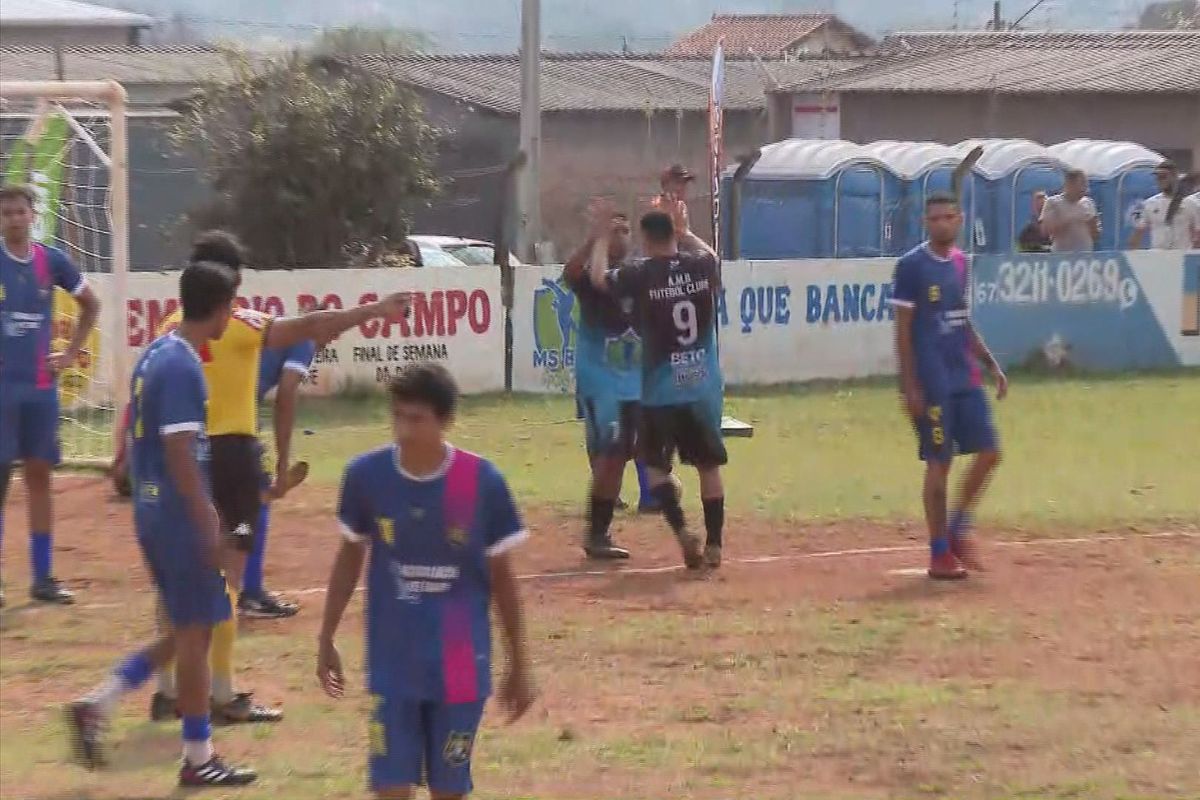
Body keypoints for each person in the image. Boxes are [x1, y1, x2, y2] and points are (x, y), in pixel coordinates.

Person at [145, 230, 411, 726]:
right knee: (227, 578)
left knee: (179, 580)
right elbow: (314, 325)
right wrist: (374, 310)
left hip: (181, 453)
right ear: (232, 283)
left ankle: (167, 692)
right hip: (231, 458)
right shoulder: (241, 324)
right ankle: (220, 693)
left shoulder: (168, 329)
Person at [67, 260, 258, 787]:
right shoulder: (182, 366)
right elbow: (179, 451)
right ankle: (199, 758)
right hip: (177, 515)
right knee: (195, 638)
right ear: (221, 310)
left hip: (156, 511)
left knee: (185, 632)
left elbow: (136, 433)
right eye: (232, 307)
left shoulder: (157, 353)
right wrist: (210, 525)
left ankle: (97, 705)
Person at [317, 363, 535, 800]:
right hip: (393, 659)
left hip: (459, 659)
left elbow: (503, 581)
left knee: (448, 790)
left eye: (416, 419)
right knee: (390, 787)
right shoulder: (367, 477)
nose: (403, 430)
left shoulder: (479, 482)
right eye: (398, 416)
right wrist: (326, 636)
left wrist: (518, 662)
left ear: (445, 420)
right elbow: (348, 557)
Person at [587, 197, 727, 570]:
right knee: (708, 467)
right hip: (700, 385)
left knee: (655, 469)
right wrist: (688, 232)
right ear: (673, 235)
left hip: (660, 393)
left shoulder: (641, 273)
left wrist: (601, 238)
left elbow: (599, 278)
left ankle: (683, 532)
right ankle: (714, 545)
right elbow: (712, 254)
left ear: (646, 240)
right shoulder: (700, 265)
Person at [890, 193, 1008, 580]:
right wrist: (910, 385)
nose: (942, 223)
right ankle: (939, 551)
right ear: (926, 223)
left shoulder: (961, 263)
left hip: (965, 377)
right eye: (934, 218)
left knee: (990, 451)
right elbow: (903, 331)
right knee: (939, 463)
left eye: (948, 217)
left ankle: (958, 527)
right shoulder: (911, 267)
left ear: (959, 220)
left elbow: (962, 320)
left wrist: (990, 363)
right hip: (932, 380)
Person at [0, 183, 101, 607]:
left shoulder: (51, 261)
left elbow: (91, 305)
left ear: (33, 214)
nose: (13, 219)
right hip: (3, 392)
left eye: (20, 211)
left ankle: (43, 578)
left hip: (41, 390)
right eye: (6, 213)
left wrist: (72, 352)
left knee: (40, 478)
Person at [238, 313, 330, 619]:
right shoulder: (303, 340)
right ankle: (250, 593)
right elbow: (287, 393)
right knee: (257, 501)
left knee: (225, 500)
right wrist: (281, 461)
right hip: (231, 416)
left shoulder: (277, 332)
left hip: (214, 410)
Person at [562, 211, 641, 559]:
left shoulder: (634, 277)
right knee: (611, 454)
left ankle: (600, 528)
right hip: (602, 381)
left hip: (630, 382)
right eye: (615, 230)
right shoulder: (593, 280)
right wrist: (595, 240)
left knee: (613, 454)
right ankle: (597, 532)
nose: (620, 236)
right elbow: (572, 273)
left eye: (625, 230)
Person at [1129, 161, 1200, 251]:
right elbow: (1138, 232)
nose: (1160, 180)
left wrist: (1193, 257)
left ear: (1175, 177)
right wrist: (1134, 256)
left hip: (1181, 255)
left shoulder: (1190, 203)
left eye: (1163, 177)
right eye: (1158, 177)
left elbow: (1198, 233)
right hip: (1158, 256)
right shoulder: (1150, 203)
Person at [1040, 169, 1100, 253]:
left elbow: (1095, 234)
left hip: (1084, 257)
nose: (1085, 189)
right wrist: (1070, 218)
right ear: (1069, 185)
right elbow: (1045, 231)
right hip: (1062, 257)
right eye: (1082, 184)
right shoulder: (1053, 202)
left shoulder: (1088, 202)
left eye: (1086, 185)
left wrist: (1093, 224)